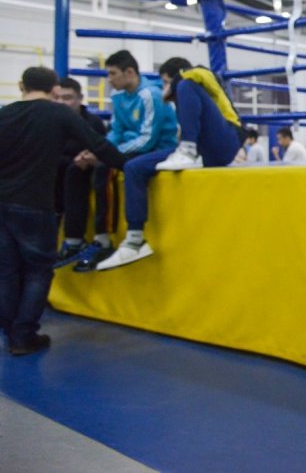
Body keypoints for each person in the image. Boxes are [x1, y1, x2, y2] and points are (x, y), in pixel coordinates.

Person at [1, 67, 126, 355]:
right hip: (35, 204)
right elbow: (98, 145)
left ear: (22, 86)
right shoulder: (58, 114)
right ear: (55, 89)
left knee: (5, 272)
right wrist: (129, 167)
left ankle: (11, 334)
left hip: (2, 202)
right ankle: (24, 335)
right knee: (38, 271)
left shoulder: (4, 114)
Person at [96, 57, 244, 271]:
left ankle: (188, 150)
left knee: (185, 85)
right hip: (201, 148)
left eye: (166, 82)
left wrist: (172, 85)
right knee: (133, 168)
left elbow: (195, 73)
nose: (165, 89)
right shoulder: (136, 95)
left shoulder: (197, 80)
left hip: (225, 140)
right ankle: (135, 240)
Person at [71, 50, 178, 271]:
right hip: (129, 149)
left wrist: (106, 154)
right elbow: (116, 132)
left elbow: (148, 139)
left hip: (158, 149)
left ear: (129, 72)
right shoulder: (118, 97)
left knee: (104, 168)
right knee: (75, 169)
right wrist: (96, 150)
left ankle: (104, 238)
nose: (109, 79)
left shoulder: (151, 94)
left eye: (112, 74)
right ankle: (73, 237)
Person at [52, 77, 112, 268]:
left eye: (68, 98)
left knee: (74, 170)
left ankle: (75, 240)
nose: (62, 103)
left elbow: (102, 150)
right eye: (58, 98)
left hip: (80, 175)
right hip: (54, 187)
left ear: (80, 98)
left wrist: (87, 158)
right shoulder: (50, 123)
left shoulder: (92, 123)